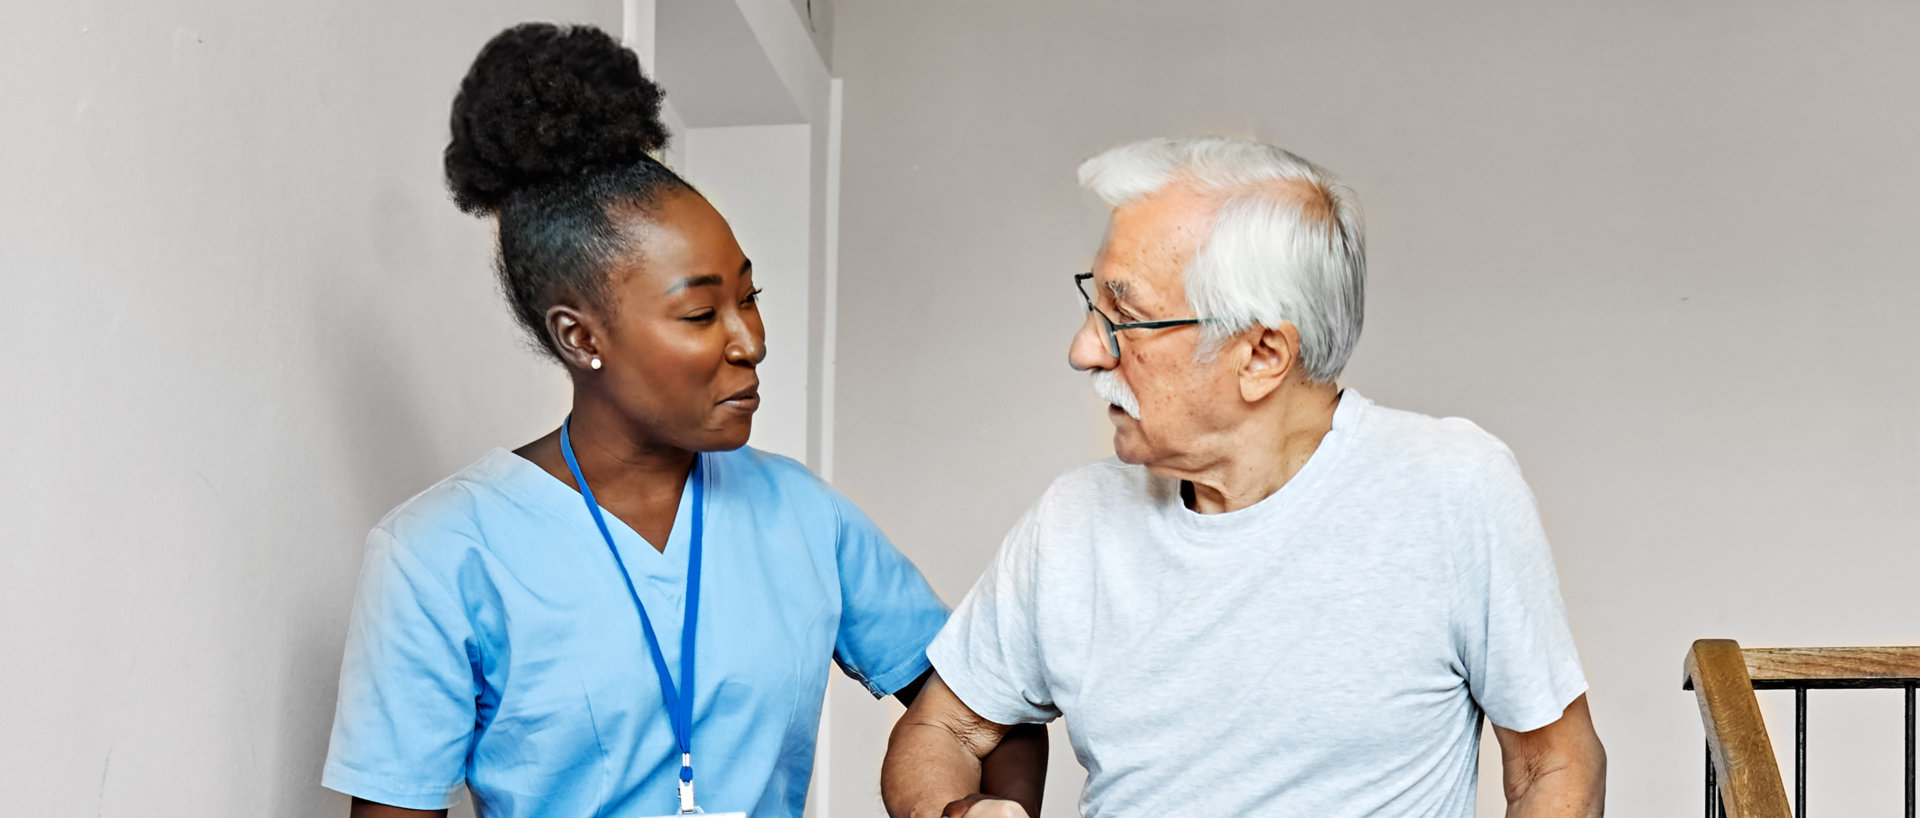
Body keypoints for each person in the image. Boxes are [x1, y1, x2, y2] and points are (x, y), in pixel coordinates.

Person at [321, 23, 1043, 818]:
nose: (752, 341)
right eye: (701, 313)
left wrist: (978, 811)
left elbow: (988, 716)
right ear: (580, 336)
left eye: (749, 297)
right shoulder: (440, 554)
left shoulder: (804, 517)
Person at [881, 136, 1605, 818]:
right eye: (1090, 305)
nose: (1083, 350)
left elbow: (1554, 763)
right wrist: (962, 811)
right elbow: (943, 729)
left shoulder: (1453, 489)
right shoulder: (1074, 519)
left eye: (1124, 318)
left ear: (1261, 355)